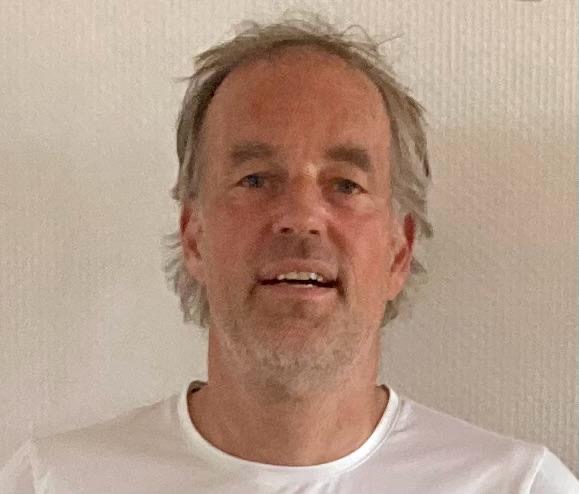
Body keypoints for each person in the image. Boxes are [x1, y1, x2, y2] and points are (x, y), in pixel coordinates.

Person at [1, 13, 577, 494]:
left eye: (346, 184)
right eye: (255, 179)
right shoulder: (51, 482)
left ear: (398, 252)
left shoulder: (519, 487)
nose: (301, 216)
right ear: (195, 237)